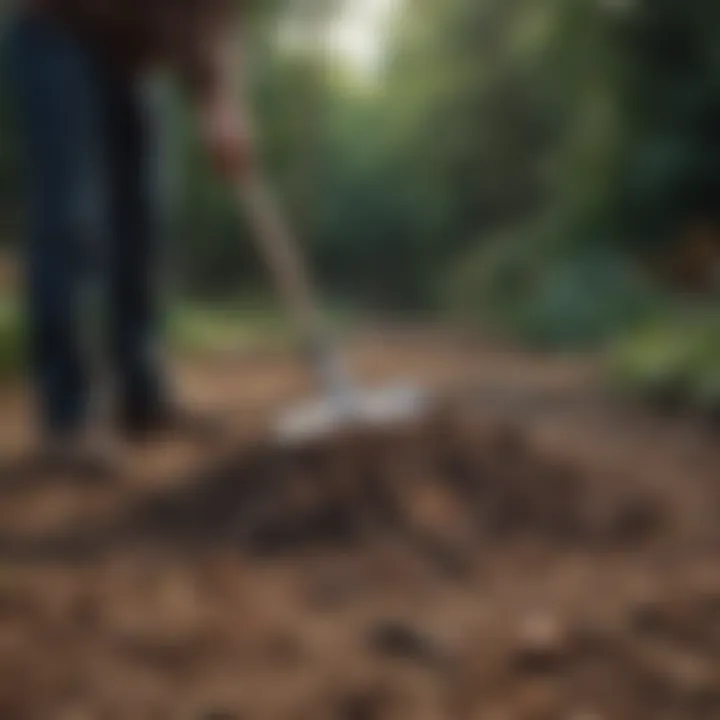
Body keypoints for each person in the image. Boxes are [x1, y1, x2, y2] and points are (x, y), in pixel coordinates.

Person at [3, 0, 251, 471]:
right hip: (58, 26)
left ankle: (141, 396)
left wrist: (221, 100)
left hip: (130, 56)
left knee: (143, 219)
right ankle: (68, 414)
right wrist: (212, 94)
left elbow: (213, 18)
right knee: (70, 219)